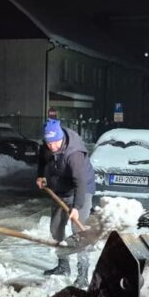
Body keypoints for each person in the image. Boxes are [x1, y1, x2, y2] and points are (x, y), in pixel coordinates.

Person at [36, 119, 95, 286]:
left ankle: (83, 275)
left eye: (55, 142)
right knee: (56, 229)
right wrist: (40, 175)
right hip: (60, 190)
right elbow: (42, 159)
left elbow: (80, 183)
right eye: (49, 143)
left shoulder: (74, 154)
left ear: (61, 137)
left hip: (81, 190)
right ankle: (63, 266)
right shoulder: (47, 145)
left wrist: (77, 207)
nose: (52, 146)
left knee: (79, 233)